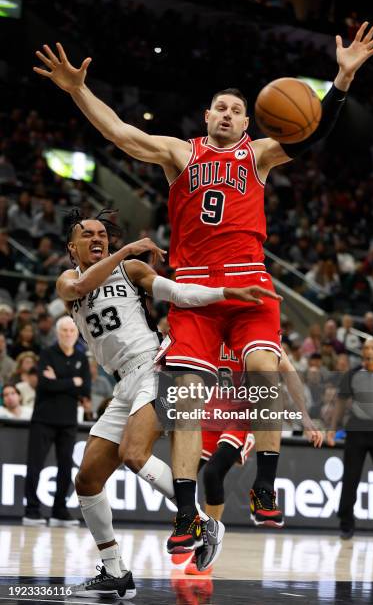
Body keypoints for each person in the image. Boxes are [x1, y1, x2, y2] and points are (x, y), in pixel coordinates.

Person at [35, 21, 373, 555]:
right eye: (218, 107)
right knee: (188, 400)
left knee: (263, 367)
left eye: (235, 110)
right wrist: (79, 89)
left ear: (250, 120)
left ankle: (266, 483)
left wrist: (340, 80)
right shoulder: (181, 153)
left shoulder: (261, 155)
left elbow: (313, 134)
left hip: (247, 282)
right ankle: (185, 516)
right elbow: (121, 134)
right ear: (206, 116)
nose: (226, 114)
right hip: (195, 289)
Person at [55, 210, 280, 598]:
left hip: (156, 366)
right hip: (122, 382)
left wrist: (224, 293)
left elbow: (178, 293)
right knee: (87, 479)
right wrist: (126, 247)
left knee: (134, 452)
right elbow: (80, 288)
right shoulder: (69, 280)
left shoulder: (130, 270)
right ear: (71, 247)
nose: (97, 237)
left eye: (103, 234)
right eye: (87, 234)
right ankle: (115, 572)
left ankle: (199, 520)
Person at [183, 344, 323, 575]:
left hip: (244, 413)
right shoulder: (213, 325)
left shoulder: (259, 332)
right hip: (212, 409)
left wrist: (305, 417)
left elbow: (288, 370)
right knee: (179, 478)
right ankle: (194, 527)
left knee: (212, 473)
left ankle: (209, 544)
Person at [22, 316, 91, 528]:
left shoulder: (82, 358)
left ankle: (59, 511)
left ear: (77, 333)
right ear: (57, 333)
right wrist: (72, 381)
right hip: (43, 419)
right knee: (35, 466)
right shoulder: (47, 354)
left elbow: (85, 390)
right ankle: (31, 511)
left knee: (65, 468)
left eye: (71, 330)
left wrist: (59, 380)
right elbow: (44, 385)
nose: (68, 334)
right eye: (64, 331)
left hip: (68, 422)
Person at [326, 338, 373, 543]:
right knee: (351, 478)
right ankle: (346, 524)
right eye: (366, 347)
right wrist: (332, 428)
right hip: (356, 431)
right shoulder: (352, 374)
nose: (369, 351)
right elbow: (340, 403)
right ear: (362, 352)